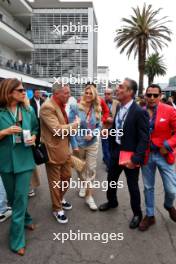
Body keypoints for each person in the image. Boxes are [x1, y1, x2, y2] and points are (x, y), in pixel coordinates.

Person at [99, 78, 150, 229]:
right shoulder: (120, 108)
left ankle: (137, 214)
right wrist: (109, 135)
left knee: (132, 186)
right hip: (116, 152)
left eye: (121, 87)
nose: (117, 89)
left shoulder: (139, 112)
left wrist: (136, 159)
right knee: (111, 179)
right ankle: (112, 201)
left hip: (131, 156)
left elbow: (144, 138)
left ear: (130, 92)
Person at [0, 78, 38, 255]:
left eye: (24, 90)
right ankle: (27, 218)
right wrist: (5, 132)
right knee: (14, 198)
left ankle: (16, 240)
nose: (25, 93)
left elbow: (36, 129)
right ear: (9, 93)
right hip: (5, 162)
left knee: (20, 198)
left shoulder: (28, 110)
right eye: (21, 90)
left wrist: (34, 138)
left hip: (24, 161)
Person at [40, 83, 79, 224]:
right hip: (53, 152)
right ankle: (57, 209)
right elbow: (57, 129)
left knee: (67, 177)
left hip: (64, 150)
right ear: (56, 93)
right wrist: (75, 125)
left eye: (69, 92)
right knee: (55, 183)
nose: (69, 95)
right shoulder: (47, 107)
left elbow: (65, 128)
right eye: (66, 93)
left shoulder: (61, 105)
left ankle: (60, 198)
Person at [139, 84, 176, 231]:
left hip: (163, 154)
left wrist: (167, 145)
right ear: (145, 96)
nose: (152, 98)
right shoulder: (140, 112)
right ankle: (150, 215)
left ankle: (168, 205)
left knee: (171, 189)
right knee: (148, 187)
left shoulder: (169, 110)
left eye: (155, 95)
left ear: (160, 96)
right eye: (149, 95)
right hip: (147, 156)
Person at [69, 84, 102, 210]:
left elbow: (99, 126)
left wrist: (93, 133)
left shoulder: (97, 108)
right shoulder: (75, 107)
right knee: (80, 168)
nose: (88, 95)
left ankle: (89, 197)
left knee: (91, 170)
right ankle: (83, 184)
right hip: (79, 143)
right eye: (86, 93)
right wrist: (74, 145)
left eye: (91, 93)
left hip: (92, 143)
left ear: (94, 95)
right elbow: (70, 127)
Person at [102, 88, 119, 169]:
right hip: (104, 128)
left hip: (113, 128)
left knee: (111, 146)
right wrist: (105, 119)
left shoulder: (117, 103)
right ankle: (109, 165)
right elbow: (97, 116)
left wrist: (114, 120)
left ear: (112, 95)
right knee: (105, 146)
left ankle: (106, 158)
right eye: (105, 94)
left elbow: (120, 115)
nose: (106, 96)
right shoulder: (100, 103)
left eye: (108, 94)